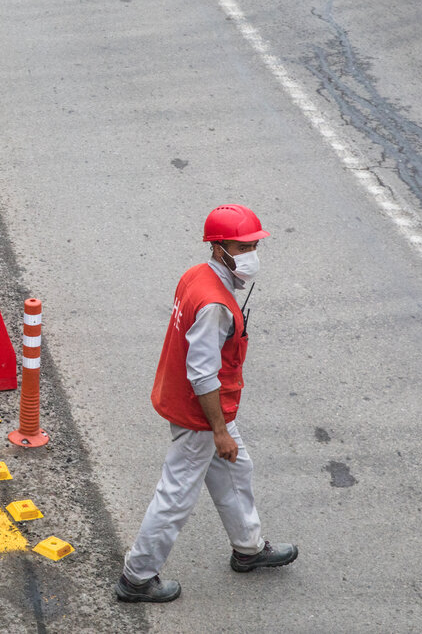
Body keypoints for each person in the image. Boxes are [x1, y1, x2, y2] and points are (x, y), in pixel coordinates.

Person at [115, 204, 298, 603]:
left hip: (201, 405)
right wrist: (218, 430)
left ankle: (248, 548)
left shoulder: (196, 276)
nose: (250, 253)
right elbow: (201, 374)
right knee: (176, 494)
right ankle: (137, 577)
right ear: (219, 249)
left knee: (236, 467)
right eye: (242, 245)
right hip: (200, 413)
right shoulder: (215, 304)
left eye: (253, 244)